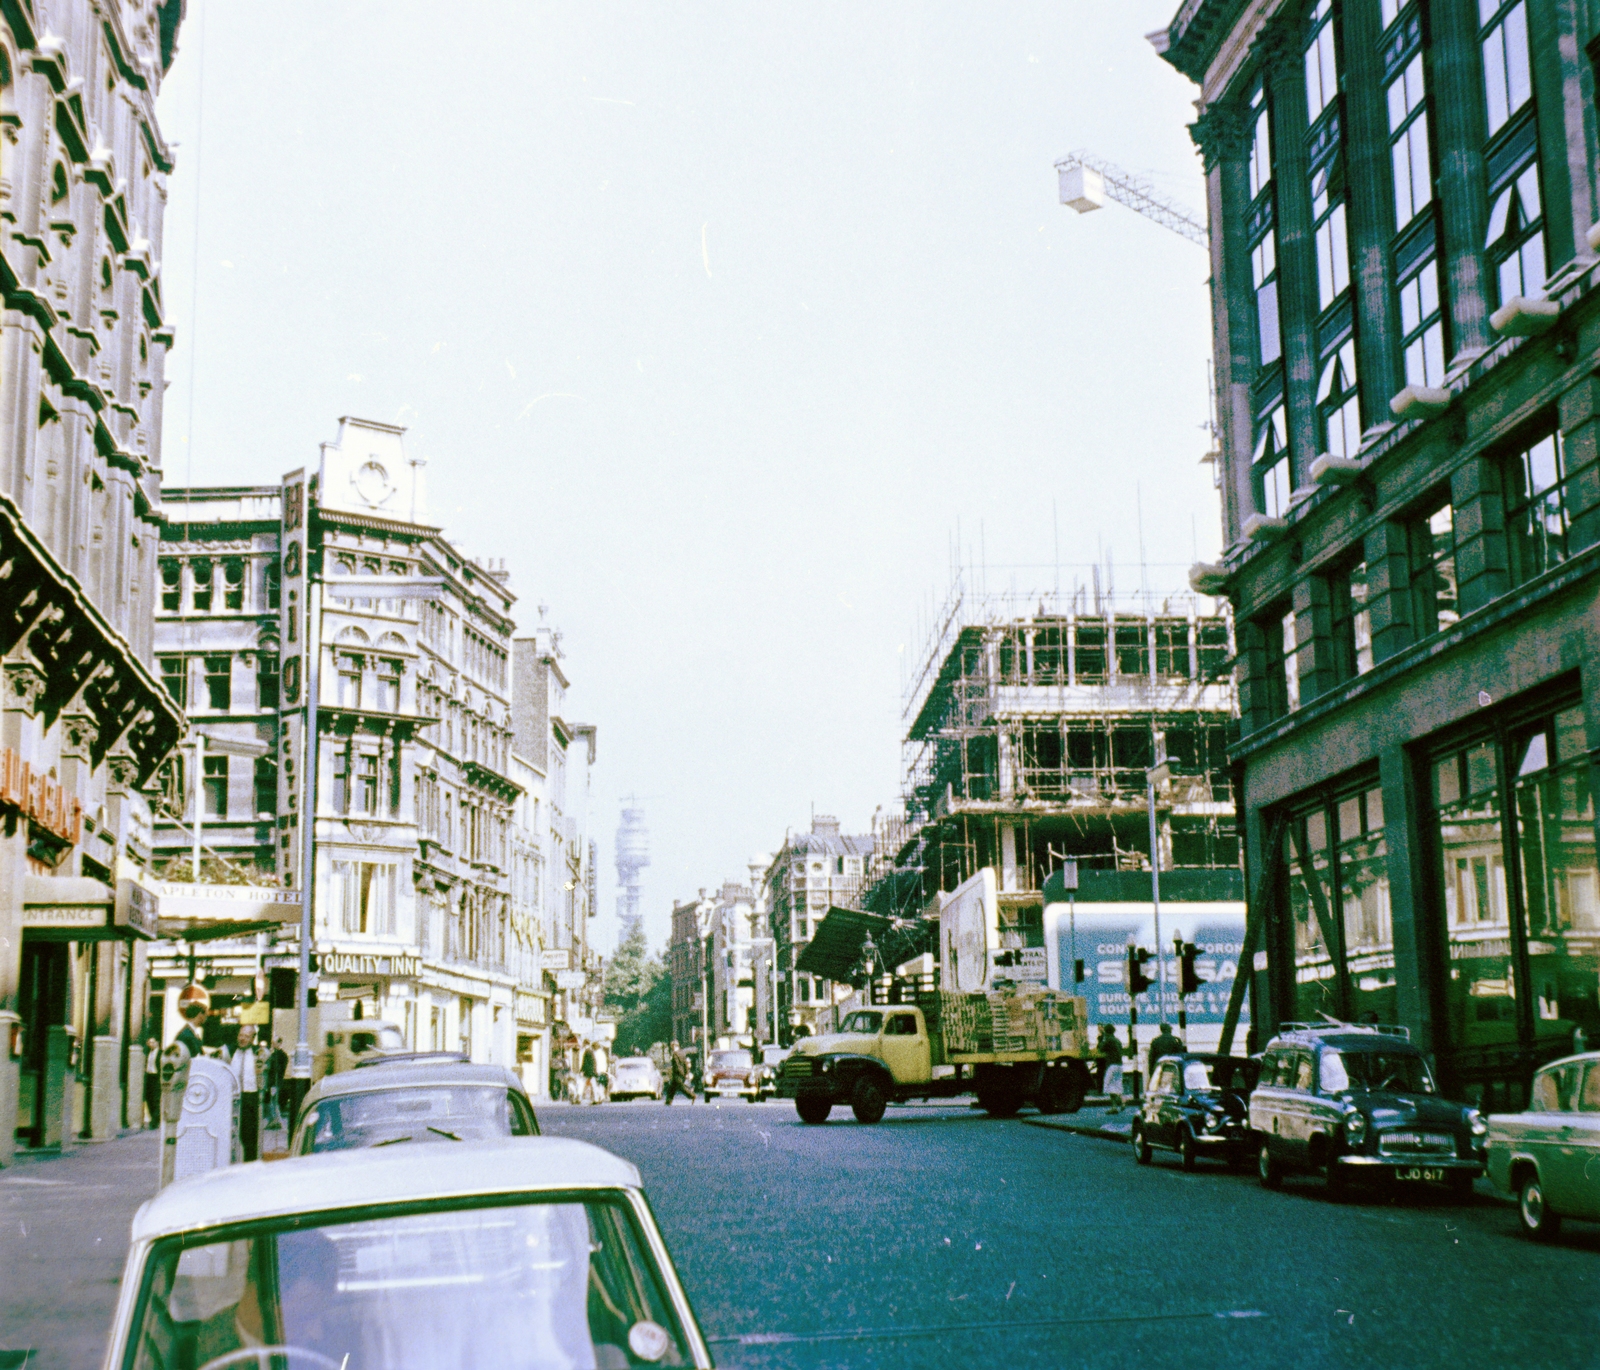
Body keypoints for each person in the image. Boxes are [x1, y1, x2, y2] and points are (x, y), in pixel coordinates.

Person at [664, 1040, 692, 1105]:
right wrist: (686, 1073)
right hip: (681, 1073)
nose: (672, 1047)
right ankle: (668, 1100)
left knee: (681, 1087)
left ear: (674, 1046)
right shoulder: (682, 1053)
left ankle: (692, 1095)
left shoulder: (675, 1054)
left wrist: (678, 1072)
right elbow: (685, 1064)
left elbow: (677, 1065)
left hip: (677, 1074)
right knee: (672, 1088)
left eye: (672, 1046)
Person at [143, 1038, 161, 1128]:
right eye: (149, 1042)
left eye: (153, 1042)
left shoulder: (161, 1053)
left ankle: (155, 1121)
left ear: (157, 1043)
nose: (151, 1044)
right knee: (148, 1098)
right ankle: (153, 1118)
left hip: (157, 1076)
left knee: (156, 1099)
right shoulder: (147, 1053)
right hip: (149, 1076)